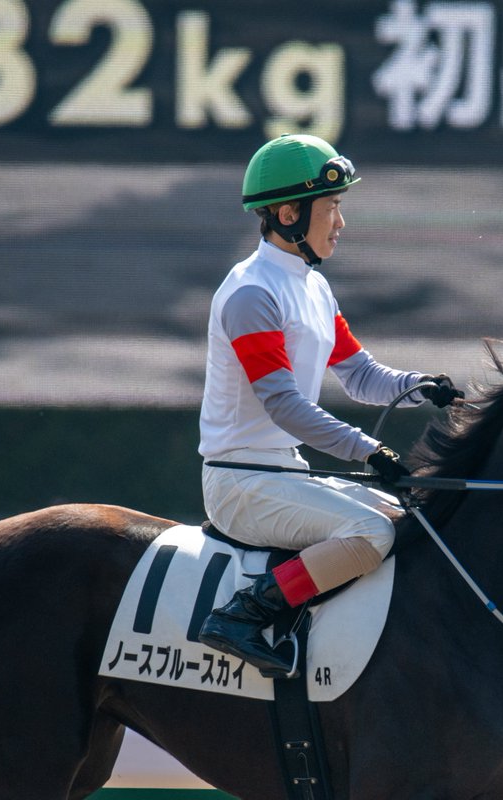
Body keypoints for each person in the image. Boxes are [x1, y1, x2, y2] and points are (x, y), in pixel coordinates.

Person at [196, 133, 462, 675]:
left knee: (409, 518)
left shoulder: (312, 287)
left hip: (279, 474)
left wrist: (422, 387)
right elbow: (284, 405)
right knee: (371, 532)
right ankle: (244, 614)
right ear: (290, 212)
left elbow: (361, 375)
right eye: (332, 208)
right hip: (238, 484)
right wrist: (369, 451)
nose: (340, 223)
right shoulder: (252, 294)